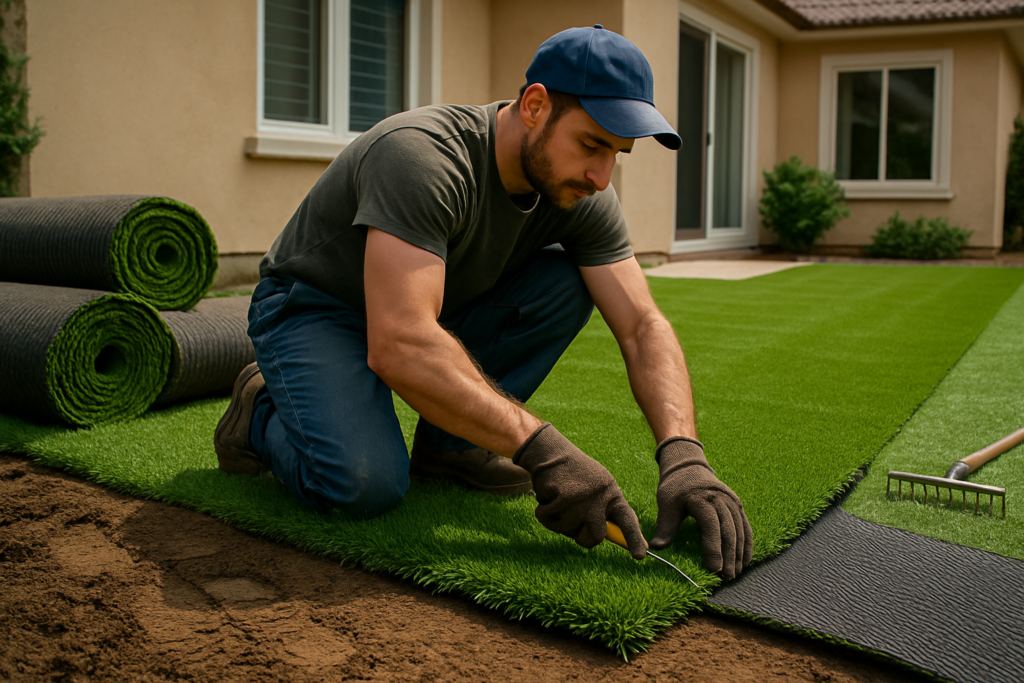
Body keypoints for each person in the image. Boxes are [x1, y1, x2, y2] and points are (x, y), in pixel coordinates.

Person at [215, 25, 752, 579]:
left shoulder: (583, 193)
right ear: (536, 105)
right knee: (360, 485)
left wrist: (683, 452)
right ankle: (258, 411)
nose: (601, 175)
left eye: (618, 153)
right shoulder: (422, 157)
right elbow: (400, 343)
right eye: (592, 144)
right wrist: (542, 448)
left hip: (426, 311)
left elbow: (642, 324)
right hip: (316, 307)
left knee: (567, 282)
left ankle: (450, 450)